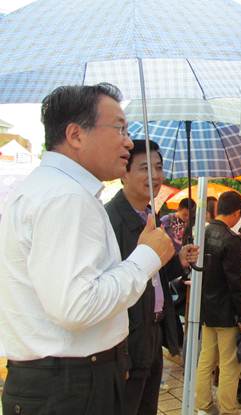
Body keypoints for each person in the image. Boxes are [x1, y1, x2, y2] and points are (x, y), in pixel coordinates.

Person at [0, 83, 175, 415]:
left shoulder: (51, 189)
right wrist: (146, 258)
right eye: (119, 128)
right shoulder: (65, 196)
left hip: (62, 380)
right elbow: (77, 306)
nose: (128, 142)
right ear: (76, 135)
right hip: (71, 385)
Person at [104, 140, 199, 415]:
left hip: (153, 331)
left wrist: (179, 260)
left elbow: (154, 274)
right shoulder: (110, 220)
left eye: (158, 168)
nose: (155, 176)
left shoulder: (152, 217)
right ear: (124, 173)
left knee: (148, 407)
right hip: (127, 338)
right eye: (145, 168)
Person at [195, 191, 241, 415]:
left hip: (207, 310)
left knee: (206, 360)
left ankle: (203, 406)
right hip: (227, 312)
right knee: (230, 364)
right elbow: (237, 283)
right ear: (237, 213)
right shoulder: (232, 240)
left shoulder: (202, 233)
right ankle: (228, 410)